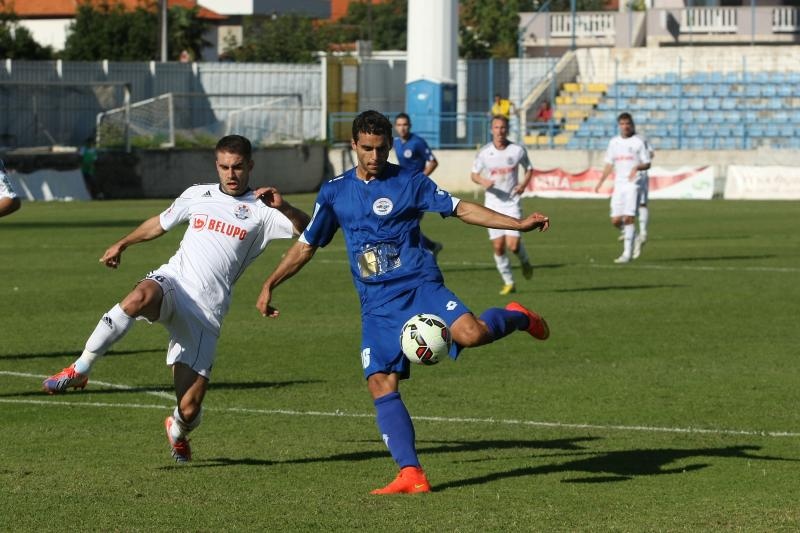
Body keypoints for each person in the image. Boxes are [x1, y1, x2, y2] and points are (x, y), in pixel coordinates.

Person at [255, 110, 551, 495]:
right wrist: (269, 284)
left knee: (473, 334)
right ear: (353, 147)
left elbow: (462, 208)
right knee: (380, 381)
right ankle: (412, 473)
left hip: (419, 286)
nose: (374, 156)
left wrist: (517, 224)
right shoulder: (335, 191)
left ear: (389, 146)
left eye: (381, 149)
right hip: (376, 303)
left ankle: (517, 317)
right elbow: (308, 243)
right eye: (366, 149)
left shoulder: (410, 182)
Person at [41, 135, 310, 463]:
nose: (231, 173)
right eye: (224, 166)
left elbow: (309, 231)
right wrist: (123, 243)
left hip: (205, 312)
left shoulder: (263, 210)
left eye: (238, 167)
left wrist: (285, 207)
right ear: (216, 165)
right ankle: (80, 367)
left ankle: (178, 429)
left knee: (190, 408)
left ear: (250, 166)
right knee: (138, 297)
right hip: (173, 282)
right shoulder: (198, 194)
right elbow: (160, 223)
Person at [470, 115, 536, 295]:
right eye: (496, 127)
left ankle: (524, 261)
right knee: (498, 247)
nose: (500, 131)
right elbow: (474, 174)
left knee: (513, 245)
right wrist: (483, 181)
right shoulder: (484, 152)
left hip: (512, 202)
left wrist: (523, 184)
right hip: (492, 204)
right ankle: (509, 282)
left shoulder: (517, 150)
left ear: (507, 130)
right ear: (492, 130)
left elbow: (529, 169)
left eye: (503, 127)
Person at [594, 113, 651, 264]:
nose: (625, 126)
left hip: (633, 184)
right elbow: (609, 163)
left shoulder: (638, 142)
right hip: (619, 185)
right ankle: (636, 237)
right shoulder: (614, 142)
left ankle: (627, 254)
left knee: (629, 217)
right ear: (619, 125)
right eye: (622, 124)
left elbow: (648, 163)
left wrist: (637, 167)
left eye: (627, 124)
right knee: (615, 220)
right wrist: (601, 182)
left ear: (632, 125)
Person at [392, 112, 442, 256]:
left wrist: (420, 178)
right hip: (404, 189)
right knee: (404, 225)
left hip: (419, 190)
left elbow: (433, 162)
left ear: (410, 126)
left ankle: (421, 252)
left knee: (406, 224)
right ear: (395, 127)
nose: (403, 128)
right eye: (400, 125)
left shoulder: (417, 142)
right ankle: (430, 246)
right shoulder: (396, 143)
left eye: (405, 125)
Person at [633, 134, 654, 258]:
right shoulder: (619, 141)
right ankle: (634, 233)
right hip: (628, 175)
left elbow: (650, 154)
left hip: (640, 174)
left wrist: (640, 161)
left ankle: (641, 234)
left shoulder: (640, 139)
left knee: (641, 204)